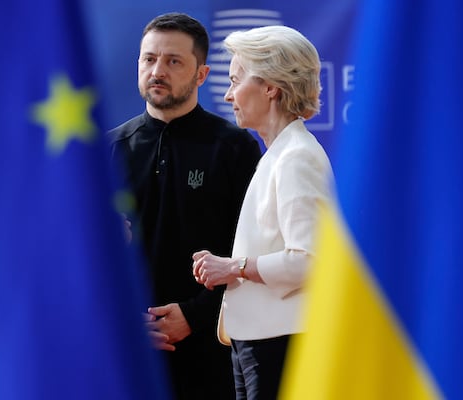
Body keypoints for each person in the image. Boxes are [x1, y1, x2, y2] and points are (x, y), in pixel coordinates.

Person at [108, 12, 262, 400]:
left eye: (173, 61)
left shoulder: (234, 148)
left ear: (202, 74)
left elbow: (251, 250)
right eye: (149, 59)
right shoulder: (107, 150)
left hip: (210, 352)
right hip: (125, 348)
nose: (158, 70)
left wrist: (193, 315)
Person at [192, 25, 334, 399]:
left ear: (271, 86)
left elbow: (311, 261)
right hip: (259, 342)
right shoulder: (280, 154)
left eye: (236, 80)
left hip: (280, 344)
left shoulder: (296, 157)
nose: (227, 94)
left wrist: (233, 267)